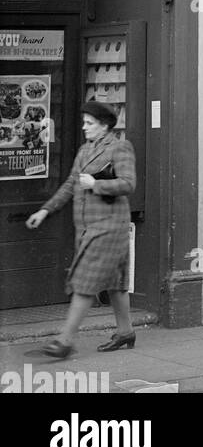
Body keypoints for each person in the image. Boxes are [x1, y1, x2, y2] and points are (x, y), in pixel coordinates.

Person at [26, 100, 137, 357]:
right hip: (88, 228)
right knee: (116, 282)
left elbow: (128, 184)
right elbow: (69, 184)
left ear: (105, 125)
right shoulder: (85, 150)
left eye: (89, 123)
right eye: (84, 123)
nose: (84, 127)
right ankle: (125, 332)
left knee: (84, 282)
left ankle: (64, 341)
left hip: (109, 227)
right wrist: (45, 210)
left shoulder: (120, 147)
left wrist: (95, 184)